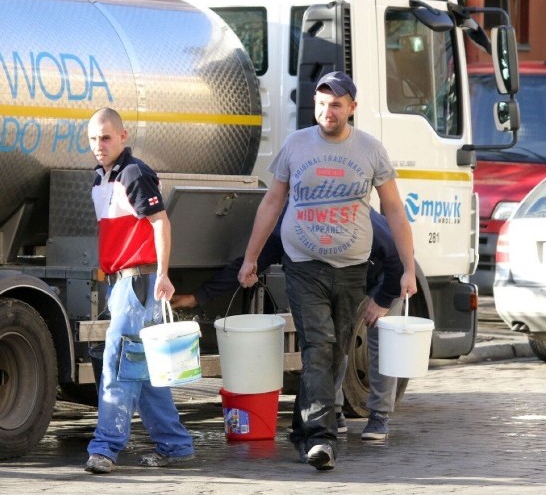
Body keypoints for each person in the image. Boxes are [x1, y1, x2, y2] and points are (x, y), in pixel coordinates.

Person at [237, 71, 417, 471]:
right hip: (302, 265)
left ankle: (305, 428)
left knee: (335, 349)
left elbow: (393, 210)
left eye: (335, 104)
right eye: (321, 103)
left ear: (352, 107)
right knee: (319, 345)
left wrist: (407, 267)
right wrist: (251, 257)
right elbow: (272, 202)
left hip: (353, 267)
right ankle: (322, 438)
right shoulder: (295, 145)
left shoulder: (371, 150)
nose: (327, 111)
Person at [171, 208, 404, 440]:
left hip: (385, 277)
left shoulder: (356, 216)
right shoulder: (288, 223)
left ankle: (379, 415)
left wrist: (383, 299)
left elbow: (399, 256)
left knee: (380, 339)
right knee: (331, 342)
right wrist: (198, 297)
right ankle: (332, 413)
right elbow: (252, 263)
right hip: (334, 280)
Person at [83, 107, 194, 474]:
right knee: (145, 373)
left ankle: (105, 448)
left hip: (137, 281)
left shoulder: (133, 174)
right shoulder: (103, 178)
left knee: (118, 364)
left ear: (122, 137)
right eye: (93, 138)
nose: (99, 145)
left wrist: (162, 274)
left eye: (106, 137)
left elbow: (161, 222)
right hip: (124, 283)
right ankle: (175, 445)